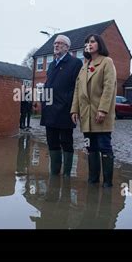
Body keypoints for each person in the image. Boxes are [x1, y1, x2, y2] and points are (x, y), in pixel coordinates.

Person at [70, 34, 117, 187]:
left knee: (104, 146)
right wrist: (74, 110)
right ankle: (93, 179)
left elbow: (109, 87)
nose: (89, 44)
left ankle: (108, 183)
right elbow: (78, 89)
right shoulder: (84, 65)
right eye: (87, 42)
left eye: (92, 41)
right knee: (90, 147)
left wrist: (103, 109)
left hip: (100, 114)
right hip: (86, 115)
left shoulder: (106, 62)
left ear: (99, 44)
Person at [40, 35, 82, 176]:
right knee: (51, 141)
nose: (56, 45)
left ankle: (67, 174)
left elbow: (78, 88)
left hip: (65, 109)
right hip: (49, 109)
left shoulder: (75, 63)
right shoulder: (51, 65)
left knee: (66, 141)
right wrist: (42, 100)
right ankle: (54, 173)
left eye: (60, 43)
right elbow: (48, 84)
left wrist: (75, 108)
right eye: (55, 43)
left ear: (67, 47)